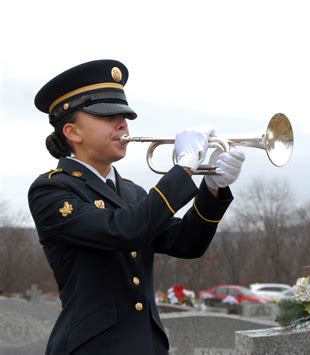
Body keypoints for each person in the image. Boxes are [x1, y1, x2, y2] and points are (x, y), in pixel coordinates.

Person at [28, 59, 245, 355]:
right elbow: (122, 230)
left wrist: (213, 188)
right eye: (107, 116)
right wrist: (183, 170)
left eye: (124, 116)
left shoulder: (131, 191)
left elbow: (187, 244)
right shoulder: (51, 189)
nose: (122, 124)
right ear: (72, 132)